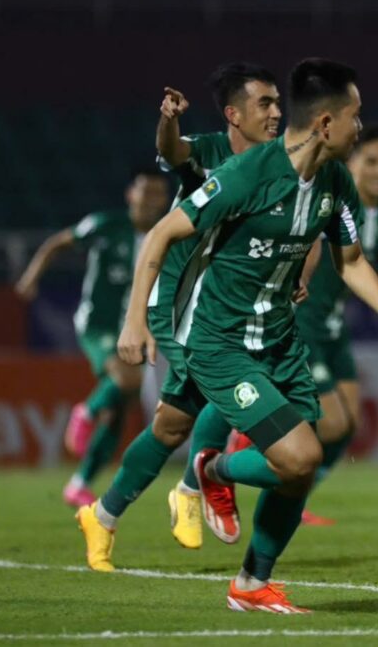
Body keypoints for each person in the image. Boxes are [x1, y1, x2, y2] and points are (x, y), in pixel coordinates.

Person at [81, 58, 378, 614]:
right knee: (298, 455)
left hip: (280, 340)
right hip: (219, 341)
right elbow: (160, 234)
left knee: (295, 469)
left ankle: (250, 584)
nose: (360, 127)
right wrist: (134, 320)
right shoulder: (246, 174)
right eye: (355, 116)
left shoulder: (334, 181)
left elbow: (350, 261)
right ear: (325, 123)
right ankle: (208, 470)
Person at [81, 62, 283, 555]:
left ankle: (102, 514)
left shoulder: (280, 164)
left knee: (171, 425)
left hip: (227, 308)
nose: (277, 113)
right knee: (233, 380)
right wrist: (168, 119)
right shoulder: (209, 152)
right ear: (234, 114)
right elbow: (172, 151)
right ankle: (194, 487)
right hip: (178, 303)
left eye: (279, 103)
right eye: (265, 103)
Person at [14, 169, 169, 506]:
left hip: (134, 329)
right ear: (131, 194)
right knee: (128, 379)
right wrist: (32, 276)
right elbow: (58, 243)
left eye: (157, 193)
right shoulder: (105, 225)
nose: (150, 199)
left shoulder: (165, 235)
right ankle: (85, 412)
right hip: (98, 325)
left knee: (118, 410)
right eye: (145, 190)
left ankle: (79, 483)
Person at [293, 124, 378, 524]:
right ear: (352, 163)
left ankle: (294, 501)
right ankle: (251, 445)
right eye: (372, 161)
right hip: (302, 321)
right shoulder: (329, 200)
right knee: (332, 424)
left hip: (333, 327)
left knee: (349, 424)